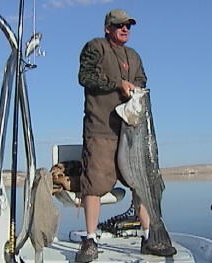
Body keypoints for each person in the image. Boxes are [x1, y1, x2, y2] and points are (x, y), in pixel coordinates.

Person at [76, 9, 176, 262]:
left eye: (128, 25)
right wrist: (118, 83)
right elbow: (85, 77)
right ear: (107, 28)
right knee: (95, 184)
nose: (125, 29)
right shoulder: (95, 47)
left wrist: (135, 88)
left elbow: (142, 81)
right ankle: (90, 240)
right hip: (101, 129)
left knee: (141, 183)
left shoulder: (134, 56)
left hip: (132, 131)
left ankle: (149, 236)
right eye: (119, 25)